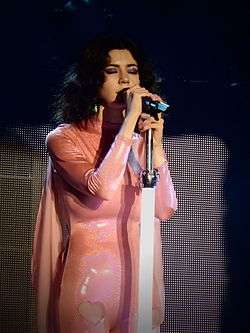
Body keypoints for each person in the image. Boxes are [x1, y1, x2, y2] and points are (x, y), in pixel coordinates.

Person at [31, 34, 177, 333]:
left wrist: (156, 146)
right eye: (112, 71)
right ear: (91, 80)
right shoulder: (64, 139)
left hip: (140, 284)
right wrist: (128, 124)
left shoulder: (141, 142)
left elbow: (165, 209)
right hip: (89, 284)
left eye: (132, 70)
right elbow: (101, 188)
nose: (125, 78)